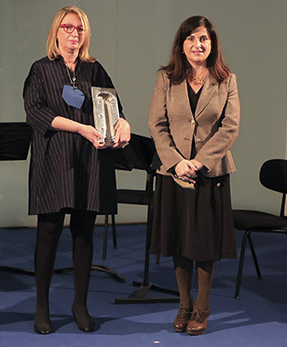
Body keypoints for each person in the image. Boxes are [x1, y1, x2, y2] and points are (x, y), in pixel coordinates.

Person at [23, 6, 131, 335]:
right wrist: (80, 128)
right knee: (48, 234)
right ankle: (42, 306)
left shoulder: (94, 70)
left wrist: (123, 122)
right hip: (54, 160)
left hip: (91, 161)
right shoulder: (41, 70)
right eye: (68, 28)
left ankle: (79, 305)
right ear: (56, 32)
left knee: (84, 236)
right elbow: (35, 112)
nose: (74, 34)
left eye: (80, 29)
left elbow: (113, 105)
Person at [148, 15, 240, 336]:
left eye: (203, 39)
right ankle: (183, 304)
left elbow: (230, 127)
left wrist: (198, 162)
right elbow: (157, 125)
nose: (197, 45)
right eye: (191, 39)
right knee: (178, 241)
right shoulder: (166, 78)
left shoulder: (227, 80)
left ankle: (202, 306)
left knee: (203, 244)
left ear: (212, 44)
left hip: (209, 173)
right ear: (182, 44)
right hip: (174, 173)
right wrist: (176, 163)